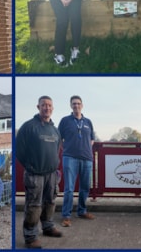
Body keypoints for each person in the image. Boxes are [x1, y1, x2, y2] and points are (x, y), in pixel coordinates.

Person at [16, 96, 63, 249]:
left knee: (50, 202)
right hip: (34, 174)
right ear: (38, 107)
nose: (47, 108)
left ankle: (48, 226)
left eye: (49, 105)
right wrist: (30, 166)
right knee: (34, 205)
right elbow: (19, 150)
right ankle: (30, 236)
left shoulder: (55, 130)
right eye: (44, 105)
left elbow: (57, 150)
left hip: (51, 174)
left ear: (53, 108)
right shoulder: (28, 127)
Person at [58, 95, 96, 227]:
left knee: (85, 187)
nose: (76, 106)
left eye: (78, 103)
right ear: (70, 106)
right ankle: (66, 215)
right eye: (74, 104)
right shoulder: (65, 121)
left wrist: (84, 149)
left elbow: (92, 139)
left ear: (82, 105)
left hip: (87, 158)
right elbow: (59, 140)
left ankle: (82, 211)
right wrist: (68, 150)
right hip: (70, 158)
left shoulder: (88, 122)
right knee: (69, 188)